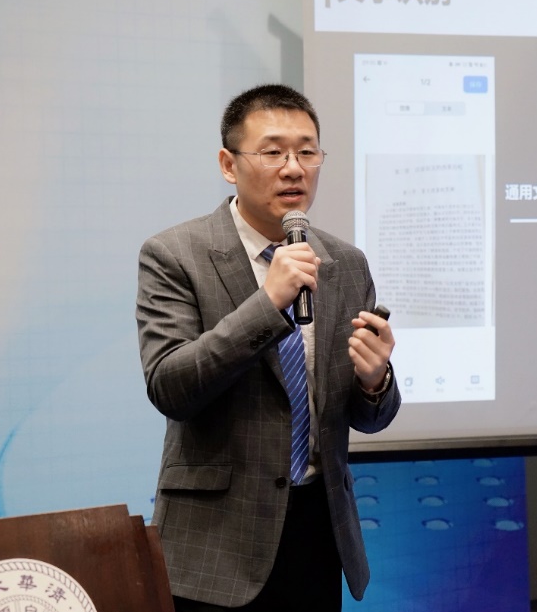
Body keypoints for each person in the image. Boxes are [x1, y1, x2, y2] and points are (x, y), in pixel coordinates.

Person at [135, 84, 401, 611]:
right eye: (273, 152)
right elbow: (170, 387)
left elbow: (367, 417)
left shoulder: (346, 263)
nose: (294, 169)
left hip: (318, 531)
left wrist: (376, 381)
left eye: (307, 152)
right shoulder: (174, 254)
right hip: (216, 544)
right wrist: (268, 302)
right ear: (228, 165)